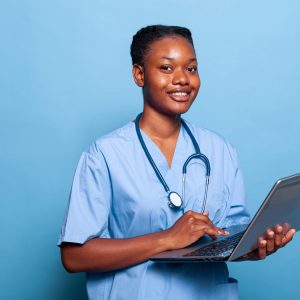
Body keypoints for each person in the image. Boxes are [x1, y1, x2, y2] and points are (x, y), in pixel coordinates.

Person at [58, 25, 295, 299]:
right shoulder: (104, 154)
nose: (182, 79)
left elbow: (230, 236)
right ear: (139, 74)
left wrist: (254, 247)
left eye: (191, 69)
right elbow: (74, 256)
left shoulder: (220, 150)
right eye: (167, 68)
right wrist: (166, 238)